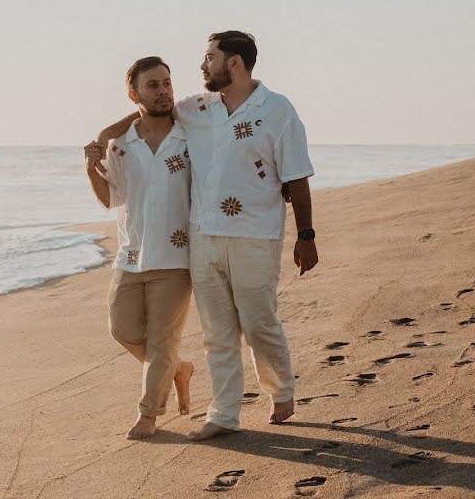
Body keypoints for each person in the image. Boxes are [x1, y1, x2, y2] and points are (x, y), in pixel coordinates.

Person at [94, 31, 318, 441]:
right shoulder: (196, 107)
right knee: (217, 331)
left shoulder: (278, 110)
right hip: (202, 235)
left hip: (255, 234)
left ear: (233, 63)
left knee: (259, 322)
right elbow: (145, 113)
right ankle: (224, 413)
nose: (201, 66)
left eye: (209, 58)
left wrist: (306, 234)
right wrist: (106, 134)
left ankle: (280, 390)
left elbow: (296, 175)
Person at [84, 56, 195, 440]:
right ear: (133, 94)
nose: (163, 91)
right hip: (131, 253)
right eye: (153, 85)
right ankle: (178, 369)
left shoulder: (191, 133)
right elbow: (110, 198)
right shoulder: (120, 145)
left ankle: (148, 415)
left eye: (167, 82)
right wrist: (89, 167)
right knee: (122, 329)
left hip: (177, 255)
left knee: (163, 339)